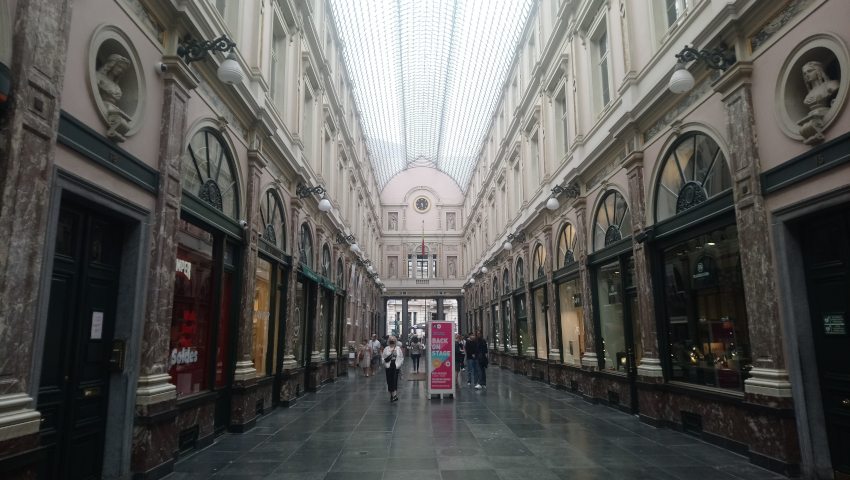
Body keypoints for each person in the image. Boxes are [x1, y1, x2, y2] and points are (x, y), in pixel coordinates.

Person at [383, 336, 404, 402]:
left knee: (395, 379)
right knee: (389, 380)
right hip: (388, 366)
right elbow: (383, 357)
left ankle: (395, 394)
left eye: (393, 340)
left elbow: (401, 357)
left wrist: (400, 364)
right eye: (391, 340)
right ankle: (391, 394)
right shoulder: (386, 348)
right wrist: (385, 363)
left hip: (395, 366)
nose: (392, 341)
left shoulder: (398, 348)